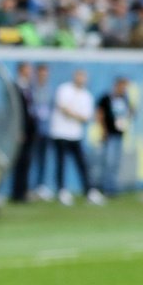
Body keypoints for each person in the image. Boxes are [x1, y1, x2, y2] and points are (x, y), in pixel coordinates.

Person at [48, 68, 103, 206]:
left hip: (75, 135)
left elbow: (86, 117)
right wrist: (75, 114)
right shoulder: (64, 89)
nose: (81, 79)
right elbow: (63, 109)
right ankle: (62, 191)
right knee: (61, 163)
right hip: (60, 133)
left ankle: (89, 190)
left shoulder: (87, 95)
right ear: (75, 76)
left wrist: (73, 113)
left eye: (83, 77)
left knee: (82, 163)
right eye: (79, 76)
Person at [96, 76, 133, 197]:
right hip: (109, 134)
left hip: (119, 134)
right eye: (122, 86)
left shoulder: (124, 99)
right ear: (116, 86)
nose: (124, 89)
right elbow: (99, 114)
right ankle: (106, 188)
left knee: (116, 163)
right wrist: (103, 130)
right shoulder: (106, 98)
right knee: (109, 162)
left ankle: (112, 187)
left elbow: (130, 113)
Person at [10, 61, 37, 202]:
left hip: (30, 131)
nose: (30, 72)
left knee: (26, 162)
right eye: (27, 69)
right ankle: (18, 193)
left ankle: (24, 191)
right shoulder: (15, 87)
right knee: (20, 162)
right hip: (20, 131)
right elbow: (15, 111)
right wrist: (18, 129)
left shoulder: (28, 87)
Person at [29, 63, 53, 199]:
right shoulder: (32, 89)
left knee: (43, 159)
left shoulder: (49, 89)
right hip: (34, 130)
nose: (44, 76)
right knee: (31, 159)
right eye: (41, 73)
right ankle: (30, 186)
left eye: (46, 74)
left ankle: (41, 186)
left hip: (45, 130)